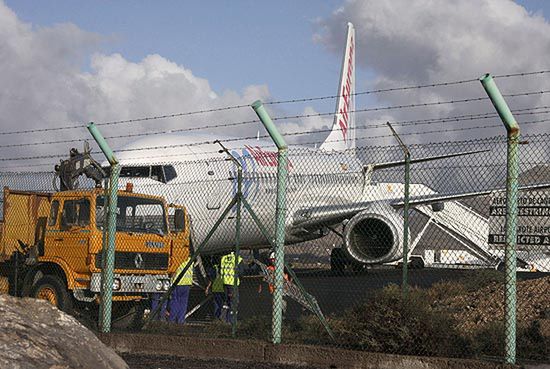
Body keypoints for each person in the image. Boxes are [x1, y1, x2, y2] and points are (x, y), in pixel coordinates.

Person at [168, 256, 193, 324]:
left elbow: (173, 272)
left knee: (175, 302)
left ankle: (172, 320)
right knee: (183, 303)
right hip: (187, 283)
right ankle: (181, 320)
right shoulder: (190, 260)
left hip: (177, 283)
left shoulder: (176, 258)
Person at [220, 251, 244, 323]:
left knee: (226, 301)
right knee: (234, 301)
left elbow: (221, 270)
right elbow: (241, 272)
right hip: (233, 283)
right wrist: (241, 278)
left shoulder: (224, 258)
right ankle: (232, 320)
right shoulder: (238, 259)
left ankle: (223, 318)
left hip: (225, 282)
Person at [205, 256, 225, 320]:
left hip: (216, 288)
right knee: (221, 304)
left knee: (217, 303)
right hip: (222, 287)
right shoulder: (223, 267)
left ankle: (217, 317)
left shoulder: (214, 268)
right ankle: (219, 317)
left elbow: (211, 279)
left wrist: (207, 288)